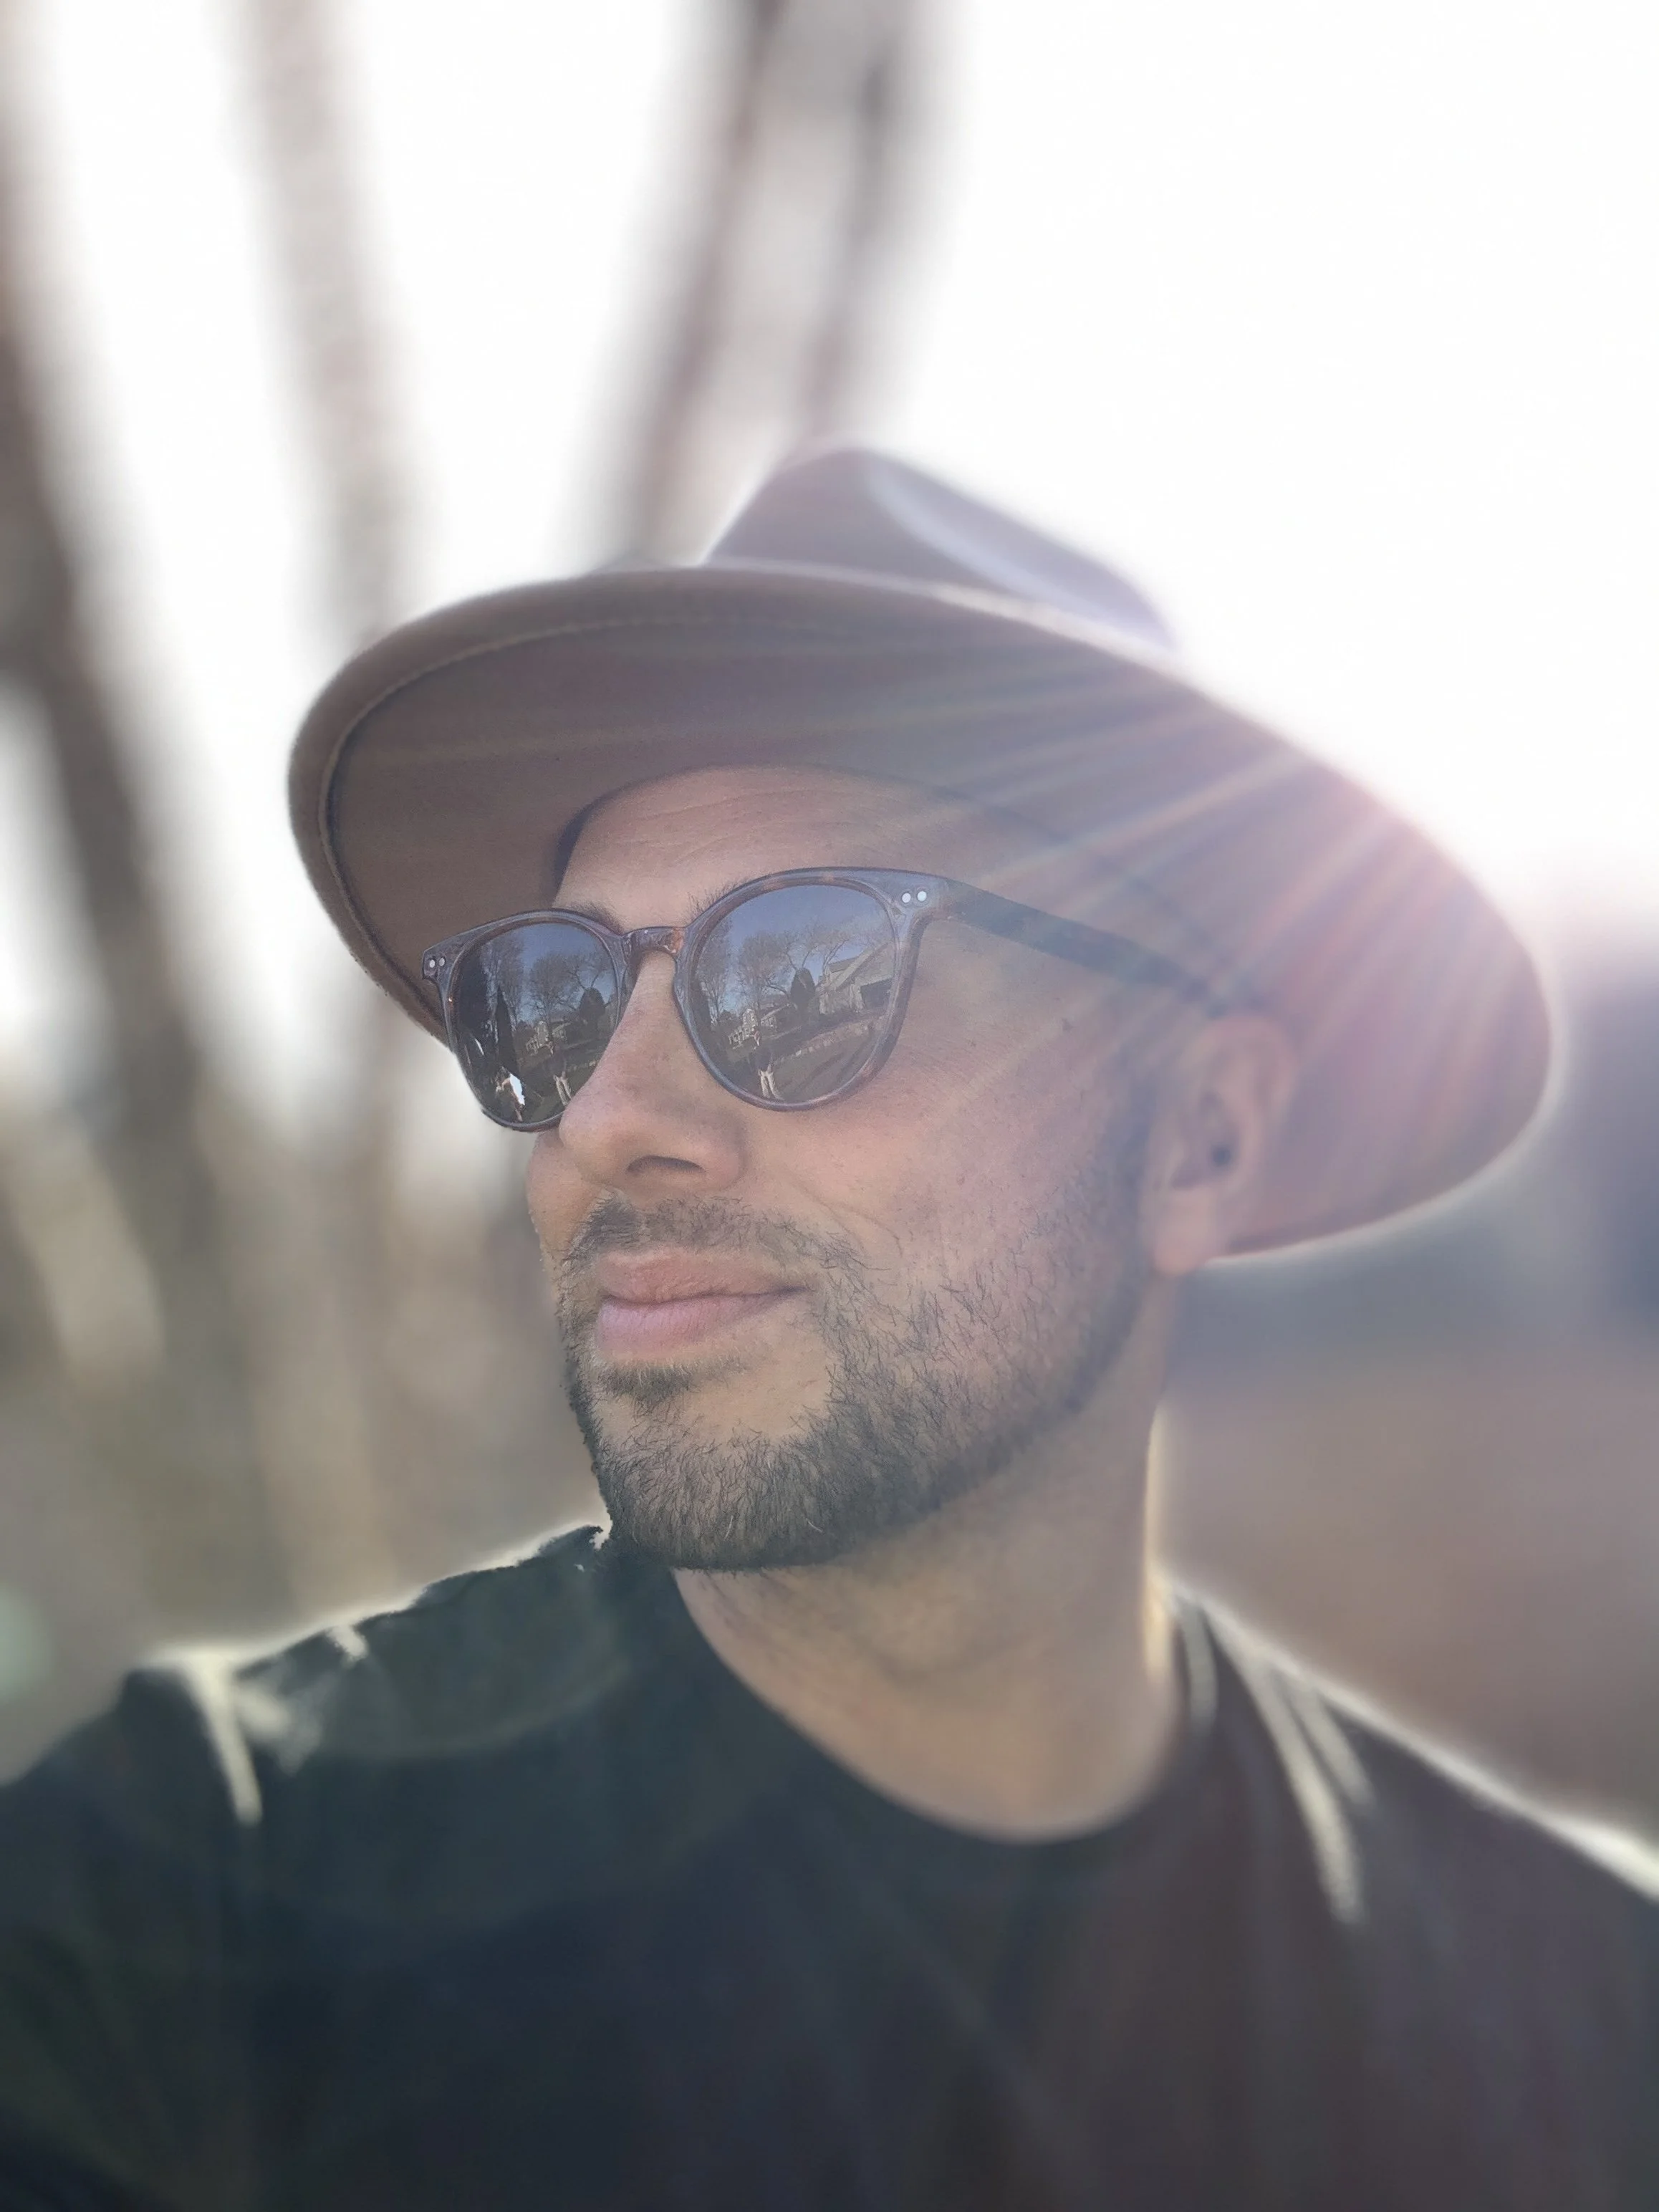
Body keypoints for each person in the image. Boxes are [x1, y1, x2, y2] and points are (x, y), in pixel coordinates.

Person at [0, 448, 1654, 2211]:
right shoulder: (176, 1916)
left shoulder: (1576, 2035)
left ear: (1203, 1138)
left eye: (806, 970)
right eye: (551, 998)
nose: (603, 1121)